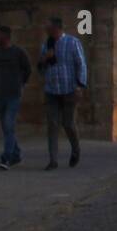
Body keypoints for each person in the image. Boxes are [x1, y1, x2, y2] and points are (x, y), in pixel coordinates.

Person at [37, 17, 87, 170]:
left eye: (48, 27)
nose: (46, 30)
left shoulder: (72, 42)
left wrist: (80, 85)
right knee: (52, 124)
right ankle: (53, 160)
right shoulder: (46, 45)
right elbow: (40, 68)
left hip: (69, 88)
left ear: (56, 28)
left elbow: (81, 63)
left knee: (68, 123)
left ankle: (76, 149)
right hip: (52, 89)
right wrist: (45, 59)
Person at [0, 25, 31, 170]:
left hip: (14, 95)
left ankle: (6, 158)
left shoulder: (18, 52)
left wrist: (21, 84)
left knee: (9, 125)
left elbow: (28, 69)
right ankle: (16, 154)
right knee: (6, 128)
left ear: (5, 37)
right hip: (0, 95)